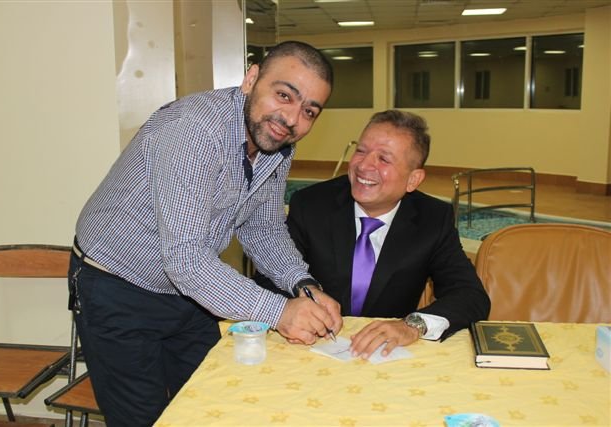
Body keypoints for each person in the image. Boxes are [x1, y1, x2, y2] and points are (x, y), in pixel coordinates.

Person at [69, 41, 343, 426]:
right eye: (284, 95)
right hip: (118, 288)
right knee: (143, 419)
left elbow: (263, 227)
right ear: (251, 79)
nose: (291, 118)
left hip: (189, 288)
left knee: (214, 402)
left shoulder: (276, 141)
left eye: (309, 111)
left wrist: (302, 283)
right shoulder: (193, 131)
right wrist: (280, 311)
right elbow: (186, 259)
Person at [255, 109, 490, 359]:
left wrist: (412, 326)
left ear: (413, 179)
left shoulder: (432, 219)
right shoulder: (311, 205)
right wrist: (291, 309)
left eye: (384, 159)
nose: (364, 165)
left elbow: (470, 295)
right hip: (312, 350)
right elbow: (268, 278)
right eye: (361, 151)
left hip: (386, 357)